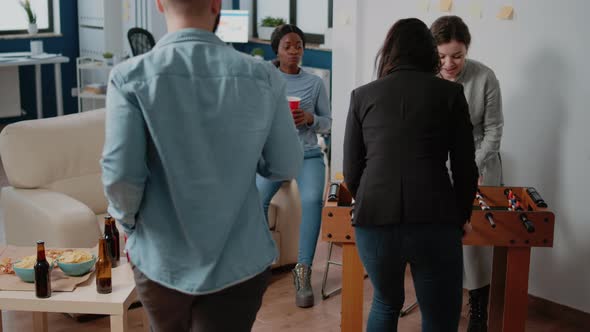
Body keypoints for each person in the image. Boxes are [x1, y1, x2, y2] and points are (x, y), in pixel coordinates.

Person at [101, 0, 303, 331]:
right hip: (240, 262)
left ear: (160, 3)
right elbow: (286, 164)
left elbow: (120, 176)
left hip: (161, 260)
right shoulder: (263, 76)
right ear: (216, 3)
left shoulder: (128, 78)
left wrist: (130, 227)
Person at [343, 18, 478, 331]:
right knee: (439, 317)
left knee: (385, 302)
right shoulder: (451, 94)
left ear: (388, 52)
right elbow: (464, 166)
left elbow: (352, 170)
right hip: (435, 218)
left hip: (374, 218)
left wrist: (369, 198)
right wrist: (461, 215)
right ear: (430, 53)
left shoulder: (361, 96)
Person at [431, 15, 504, 332]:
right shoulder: (425, 78)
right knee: (436, 237)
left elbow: (493, 131)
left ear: (467, 50)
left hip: (479, 161)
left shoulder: (485, 77)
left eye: (457, 56)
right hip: (436, 161)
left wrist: (470, 167)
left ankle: (478, 309)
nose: (449, 64)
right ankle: (439, 300)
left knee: (474, 241)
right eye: (442, 56)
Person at [255, 24, 331, 308]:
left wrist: (310, 119)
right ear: (277, 48)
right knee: (256, 200)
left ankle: (303, 272)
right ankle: (262, 262)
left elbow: (328, 124)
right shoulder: (264, 77)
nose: (294, 51)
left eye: (298, 45)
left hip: (307, 154)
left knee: (312, 200)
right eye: (288, 46)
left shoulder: (314, 83)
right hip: (273, 155)